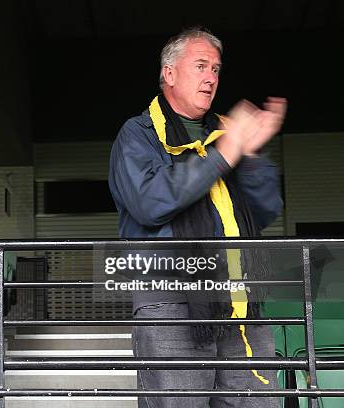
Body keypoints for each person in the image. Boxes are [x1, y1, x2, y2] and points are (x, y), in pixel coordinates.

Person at [108, 27, 286, 408]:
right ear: (169, 73)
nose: (211, 78)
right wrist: (227, 153)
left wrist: (250, 155)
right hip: (170, 301)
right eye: (201, 66)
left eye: (217, 69)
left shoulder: (228, 133)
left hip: (240, 299)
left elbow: (267, 209)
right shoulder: (137, 134)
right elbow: (150, 203)